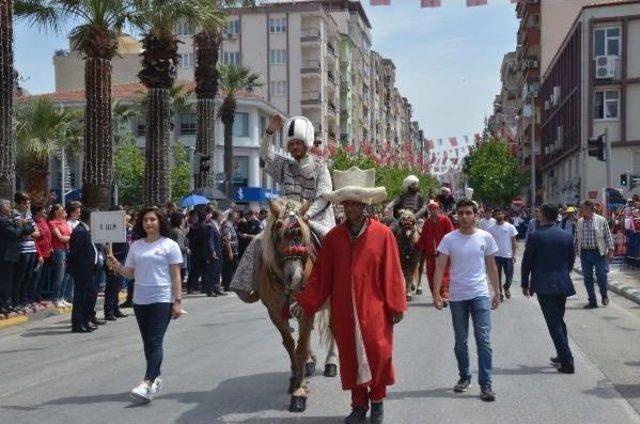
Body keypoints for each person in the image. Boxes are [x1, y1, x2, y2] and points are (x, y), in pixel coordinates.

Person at [295, 167, 407, 424]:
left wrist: (396, 305)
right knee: (350, 357)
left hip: (376, 309)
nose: (350, 208)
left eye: (355, 203)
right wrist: (304, 302)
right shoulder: (333, 238)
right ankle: (358, 405)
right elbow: (321, 275)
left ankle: (377, 402)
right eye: (346, 203)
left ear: (364, 204)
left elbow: (392, 272)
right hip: (344, 311)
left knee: (378, 354)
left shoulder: (383, 235)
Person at [231, 114, 336, 298]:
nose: (294, 147)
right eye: (291, 144)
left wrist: (307, 215)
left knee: (330, 241)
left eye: (298, 143)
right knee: (258, 241)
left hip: (315, 217)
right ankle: (251, 285)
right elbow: (264, 157)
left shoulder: (321, 167)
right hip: (286, 217)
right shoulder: (284, 165)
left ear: (307, 143)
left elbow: (324, 197)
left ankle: (336, 286)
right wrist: (269, 132)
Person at [107, 206, 183, 403]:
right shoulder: (136, 246)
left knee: (155, 341)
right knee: (148, 343)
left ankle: (147, 382)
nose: (148, 223)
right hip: (140, 300)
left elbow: (176, 275)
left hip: (162, 299)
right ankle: (156, 377)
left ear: (160, 222)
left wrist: (177, 301)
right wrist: (116, 266)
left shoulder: (170, 245)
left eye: (152, 220)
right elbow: (130, 273)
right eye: (145, 220)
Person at [433, 199, 500, 402]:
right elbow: (439, 266)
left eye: (468, 213)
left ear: (475, 215)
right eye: (461, 213)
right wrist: (436, 293)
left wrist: (496, 291)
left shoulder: (485, 237)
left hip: (479, 294)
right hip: (458, 297)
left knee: (484, 340)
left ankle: (486, 384)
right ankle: (464, 377)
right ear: (456, 215)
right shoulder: (449, 239)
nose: (464, 217)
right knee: (460, 341)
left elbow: (491, 266)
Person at [521, 203, 576, 374]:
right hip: (562, 282)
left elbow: (527, 261)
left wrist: (525, 282)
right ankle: (563, 354)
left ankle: (567, 362)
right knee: (559, 321)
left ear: (543, 215)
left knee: (554, 324)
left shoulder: (536, 236)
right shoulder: (566, 235)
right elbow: (571, 260)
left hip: (545, 285)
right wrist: (562, 274)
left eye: (539, 212)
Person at [575, 200, 614, 308]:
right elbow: (576, 239)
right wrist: (574, 252)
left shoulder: (601, 220)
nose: (580, 210)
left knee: (601, 276)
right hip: (585, 253)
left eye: (582, 208)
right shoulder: (579, 222)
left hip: (598, 253)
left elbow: (608, 237)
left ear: (589, 208)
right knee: (587, 278)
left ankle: (604, 295)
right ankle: (592, 301)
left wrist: (610, 252)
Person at [67, 207, 100, 333]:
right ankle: (77, 324)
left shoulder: (88, 230)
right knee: (81, 297)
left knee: (89, 295)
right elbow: (75, 252)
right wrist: (74, 268)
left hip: (89, 269)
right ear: (90, 218)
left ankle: (85, 321)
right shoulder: (80, 231)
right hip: (82, 269)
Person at [416, 200, 455, 304]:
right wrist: (417, 246)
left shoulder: (445, 220)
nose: (432, 211)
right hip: (430, 255)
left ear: (438, 209)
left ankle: (445, 294)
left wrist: (451, 248)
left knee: (445, 273)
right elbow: (423, 237)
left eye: (434, 208)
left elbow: (451, 235)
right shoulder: (427, 222)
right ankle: (436, 295)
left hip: (443, 253)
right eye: (430, 209)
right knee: (431, 274)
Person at [12, 192, 39, 309]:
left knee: (28, 276)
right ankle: (16, 301)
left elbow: (37, 233)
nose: (27, 205)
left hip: (32, 249)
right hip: (22, 250)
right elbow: (21, 233)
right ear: (18, 203)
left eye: (28, 203)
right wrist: (28, 231)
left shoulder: (28, 216)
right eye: (24, 203)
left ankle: (24, 300)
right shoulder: (15, 214)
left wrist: (29, 232)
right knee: (19, 276)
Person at [0, 199, 27, 315]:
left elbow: (27, 230)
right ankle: (3, 305)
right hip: (5, 254)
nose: (10, 207)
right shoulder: (2, 220)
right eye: (8, 205)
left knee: (11, 280)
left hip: (12, 254)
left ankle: (8, 303)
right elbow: (15, 233)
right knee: (5, 281)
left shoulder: (10, 219)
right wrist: (20, 225)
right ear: (1, 208)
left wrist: (20, 227)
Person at [104, 207, 131, 321]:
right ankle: (109, 310)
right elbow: (107, 245)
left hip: (121, 259)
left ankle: (115, 308)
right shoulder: (109, 227)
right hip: (113, 258)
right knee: (112, 286)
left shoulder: (121, 226)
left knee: (118, 286)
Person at [486, 209, 518, 302]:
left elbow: (513, 241)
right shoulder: (491, 228)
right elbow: (489, 243)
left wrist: (514, 254)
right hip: (496, 256)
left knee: (509, 275)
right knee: (497, 276)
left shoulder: (510, 227)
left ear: (503, 214)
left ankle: (506, 287)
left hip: (507, 255)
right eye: (496, 214)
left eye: (499, 213)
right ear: (494, 216)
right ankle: (499, 293)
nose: (498, 215)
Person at [186, 209, 219, 296]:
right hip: (206, 253)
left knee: (194, 271)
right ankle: (209, 290)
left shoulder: (193, 227)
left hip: (196, 253)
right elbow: (209, 241)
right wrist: (213, 252)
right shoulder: (208, 227)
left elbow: (189, 239)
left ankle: (190, 288)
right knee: (209, 272)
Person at [48, 204, 72, 307]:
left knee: (67, 275)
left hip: (67, 249)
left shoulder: (65, 222)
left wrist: (69, 237)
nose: (64, 211)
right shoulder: (52, 223)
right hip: (59, 251)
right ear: (56, 212)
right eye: (61, 210)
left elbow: (70, 235)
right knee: (60, 275)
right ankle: (56, 298)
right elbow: (60, 237)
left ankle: (62, 297)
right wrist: (70, 237)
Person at [31, 203, 52, 303]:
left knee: (43, 276)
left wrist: (51, 247)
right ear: (38, 211)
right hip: (39, 254)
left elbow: (48, 236)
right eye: (43, 210)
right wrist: (39, 255)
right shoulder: (34, 223)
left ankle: (38, 296)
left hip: (47, 253)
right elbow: (35, 241)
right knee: (36, 276)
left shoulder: (44, 220)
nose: (45, 211)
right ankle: (33, 297)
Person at [220, 211, 239, 291]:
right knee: (229, 269)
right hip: (230, 251)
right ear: (232, 217)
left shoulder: (231, 225)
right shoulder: (227, 225)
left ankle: (229, 284)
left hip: (234, 251)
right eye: (236, 216)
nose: (237, 218)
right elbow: (227, 239)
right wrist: (230, 252)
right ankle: (228, 285)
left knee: (232, 268)